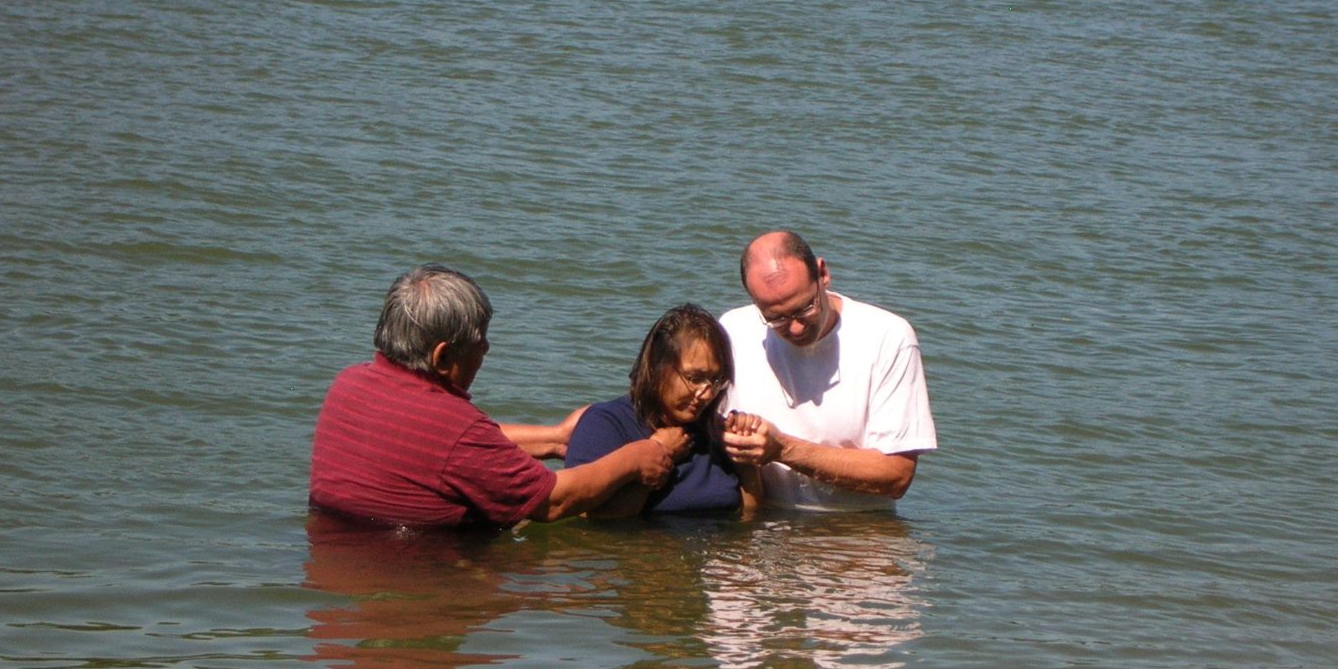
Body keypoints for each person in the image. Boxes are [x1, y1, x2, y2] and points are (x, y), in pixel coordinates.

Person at [309, 264, 687, 529]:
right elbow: (554, 502)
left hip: (337, 576)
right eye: (480, 342)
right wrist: (638, 457)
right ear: (442, 356)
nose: (486, 349)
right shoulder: (453, 428)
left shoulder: (349, 384)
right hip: (417, 579)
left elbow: (452, 447)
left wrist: (556, 439)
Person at [719, 231, 936, 511]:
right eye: (775, 318)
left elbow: (896, 475)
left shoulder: (888, 337)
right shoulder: (733, 330)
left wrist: (782, 449)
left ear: (822, 273)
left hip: (854, 530)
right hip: (762, 520)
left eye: (805, 308)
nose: (795, 327)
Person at [564, 304, 761, 517]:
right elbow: (595, 518)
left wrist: (745, 462)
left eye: (716, 380)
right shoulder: (605, 425)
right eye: (694, 379)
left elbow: (749, 515)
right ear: (657, 367)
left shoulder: (714, 432)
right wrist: (657, 455)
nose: (706, 394)